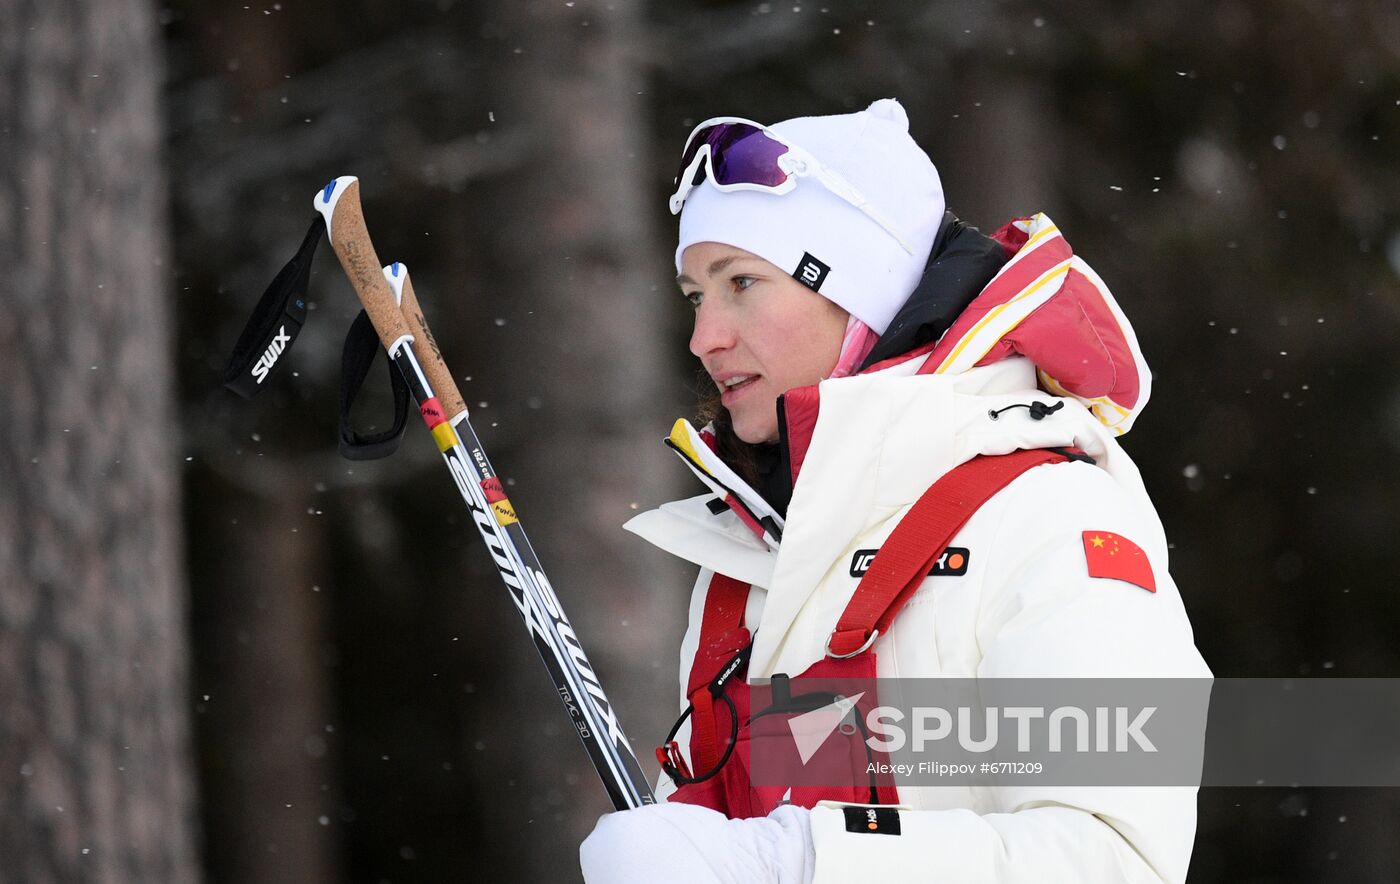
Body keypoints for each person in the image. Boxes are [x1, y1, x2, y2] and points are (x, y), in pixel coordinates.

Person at [580, 99, 1212, 883]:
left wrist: (795, 864)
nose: (704, 336)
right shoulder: (756, 563)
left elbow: (1117, 860)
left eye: (741, 282)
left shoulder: (1049, 516)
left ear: (861, 296)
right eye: (695, 295)